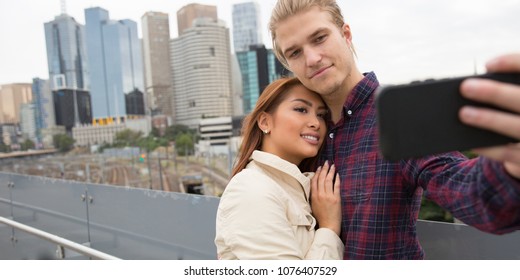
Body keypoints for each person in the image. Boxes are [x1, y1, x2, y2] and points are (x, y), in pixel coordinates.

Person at [269, 0, 520, 259]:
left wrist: (512, 170)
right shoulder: (300, 134)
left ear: (346, 34)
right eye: (295, 53)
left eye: (320, 38)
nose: (312, 58)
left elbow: (473, 195)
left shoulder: (398, 119)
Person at [215, 77, 343, 259]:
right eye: (301, 109)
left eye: (321, 115)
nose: (316, 122)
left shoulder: (296, 186)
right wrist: (329, 229)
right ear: (265, 122)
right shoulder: (251, 189)